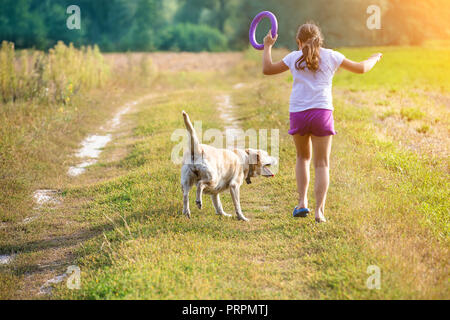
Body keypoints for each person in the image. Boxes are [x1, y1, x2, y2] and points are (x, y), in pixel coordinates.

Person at [262, 22, 382, 223]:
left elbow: (267, 68)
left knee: (302, 158)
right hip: (322, 113)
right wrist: (374, 58)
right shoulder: (332, 55)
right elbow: (361, 69)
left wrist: (267, 46)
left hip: (298, 113)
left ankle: (302, 204)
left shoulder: (293, 57)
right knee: (322, 163)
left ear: (299, 42)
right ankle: (319, 212)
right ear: (320, 40)